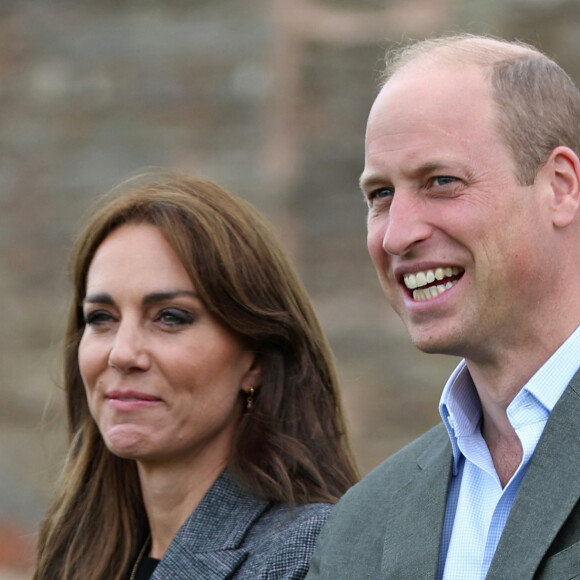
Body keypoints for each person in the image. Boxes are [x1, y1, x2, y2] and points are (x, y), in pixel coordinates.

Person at [306, 34, 580, 579]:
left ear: (560, 186)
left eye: (441, 182)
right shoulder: (361, 525)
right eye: (380, 195)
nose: (396, 236)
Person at [33, 173, 359, 580]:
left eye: (170, 317)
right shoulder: (78, 550)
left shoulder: (305, 556)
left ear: (254, 359)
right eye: (102, 318)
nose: (122, 353)